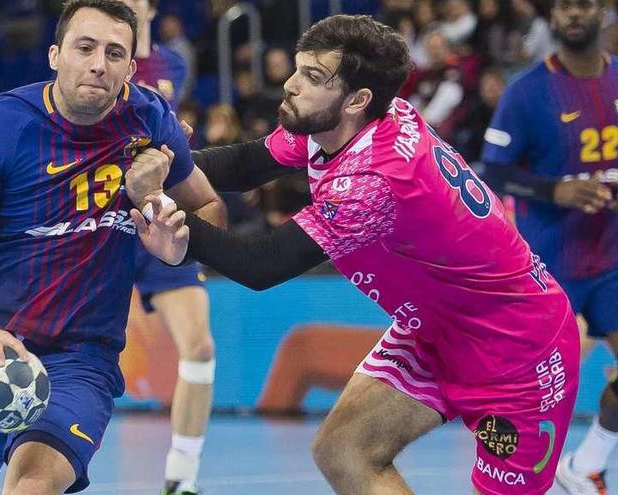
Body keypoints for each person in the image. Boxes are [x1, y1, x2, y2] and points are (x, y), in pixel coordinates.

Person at [124, 14, 580, 495]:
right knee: (343, 450)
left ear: (358, 99)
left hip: (518, 352)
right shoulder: (342, 121)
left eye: (313, 77)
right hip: (436, 332)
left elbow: (262, 265)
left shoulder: (375, 179)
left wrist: (157, 206)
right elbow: (246, 164)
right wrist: (160, 163)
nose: (292, 84)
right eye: (298, 68)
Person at [0, 1, 226, 494]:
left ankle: (181, 478)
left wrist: (179, 240)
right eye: (85, 48)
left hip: (83, 356)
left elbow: (208, 206)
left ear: (130, 68)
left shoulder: (150, 119)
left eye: (114, 53)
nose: (99, 63)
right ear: (55, 55)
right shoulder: (0, 126)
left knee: (32, 486)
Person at [480, 1, 618, 492]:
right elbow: (491, 172)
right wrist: (553, 190)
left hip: (611, 259)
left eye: (583, 4)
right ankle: (499, 481)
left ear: (603, 11)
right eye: (563, 6)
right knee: (520, 390)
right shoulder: (526, 91)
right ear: (553, 17)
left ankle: (585, 467)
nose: (574, 14)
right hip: (547, 262)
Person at [122, 2, 214, 494]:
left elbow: (172, 134)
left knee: (199, 347)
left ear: (150, 7)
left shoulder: (172, 65)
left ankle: (182, 480)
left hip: (161, 215)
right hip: (103, 219)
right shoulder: (91, 59)